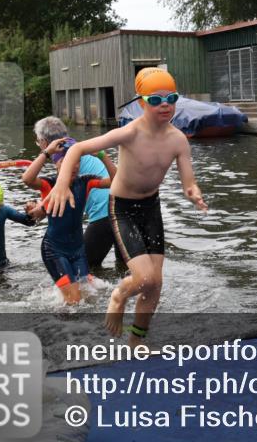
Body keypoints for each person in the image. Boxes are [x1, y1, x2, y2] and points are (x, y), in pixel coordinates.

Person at [45, 68, 208, 344]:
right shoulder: (129, 133)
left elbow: (188, 182)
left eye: (171, 98)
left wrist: (194, 193)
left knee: (155, 283)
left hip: (151, 208)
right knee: (143, 278)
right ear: (142, 103)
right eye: (156, 100)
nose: (165, 105)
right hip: (122, 208)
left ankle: (136, 342)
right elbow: (77, 149)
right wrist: (61, 184)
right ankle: (119, 295)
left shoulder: (178, 140)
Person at [22, 137, 114, 305]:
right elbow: (27, 179)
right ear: (56, 164)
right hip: (55, 250)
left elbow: (116, 180)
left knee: (87, 298)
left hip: (78, 251)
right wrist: (47, 152)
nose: (73, 165)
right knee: (74, 301)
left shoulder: (85, 182)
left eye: (76, 161)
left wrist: (102, 155)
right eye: (64, 161)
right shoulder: (49, 184)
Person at [32, 116, 119, 269]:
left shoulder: (65, 157)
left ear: (45, 142)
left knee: (83, 268)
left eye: (38, 142)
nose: (38, 145)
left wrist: (42, 209)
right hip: (122, 208)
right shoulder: (78, 148)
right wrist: (43, 207)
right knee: (125, 268)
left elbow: (60, 192)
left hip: (104, 213)